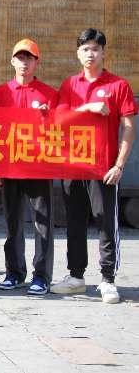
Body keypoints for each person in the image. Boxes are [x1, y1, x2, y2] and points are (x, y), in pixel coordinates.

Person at [50, 28, 136, 304]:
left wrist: (119, 165)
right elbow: (59, 119)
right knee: (74, 222)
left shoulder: (118, 85)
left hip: (103, 167)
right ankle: (76, 277)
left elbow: (128, 127)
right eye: (85, 49)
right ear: (78, 53)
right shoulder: (69, 85)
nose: (90, 54)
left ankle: (108, 279)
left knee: (105, 222)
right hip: (73, 166)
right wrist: (88, 108)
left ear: (103, 53)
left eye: (95, 49)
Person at [0, 39, 58, 295]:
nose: (24, 62)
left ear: (36, 62)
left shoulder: (49, 94)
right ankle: (14, 272)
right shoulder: (1, 93)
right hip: (10, 165)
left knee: (43, 223)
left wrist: (48, 117)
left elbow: (62, 128)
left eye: (29, 58)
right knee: (13, 222)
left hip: (39, 166)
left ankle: (41, 276)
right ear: (12, 61)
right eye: (20, 58)